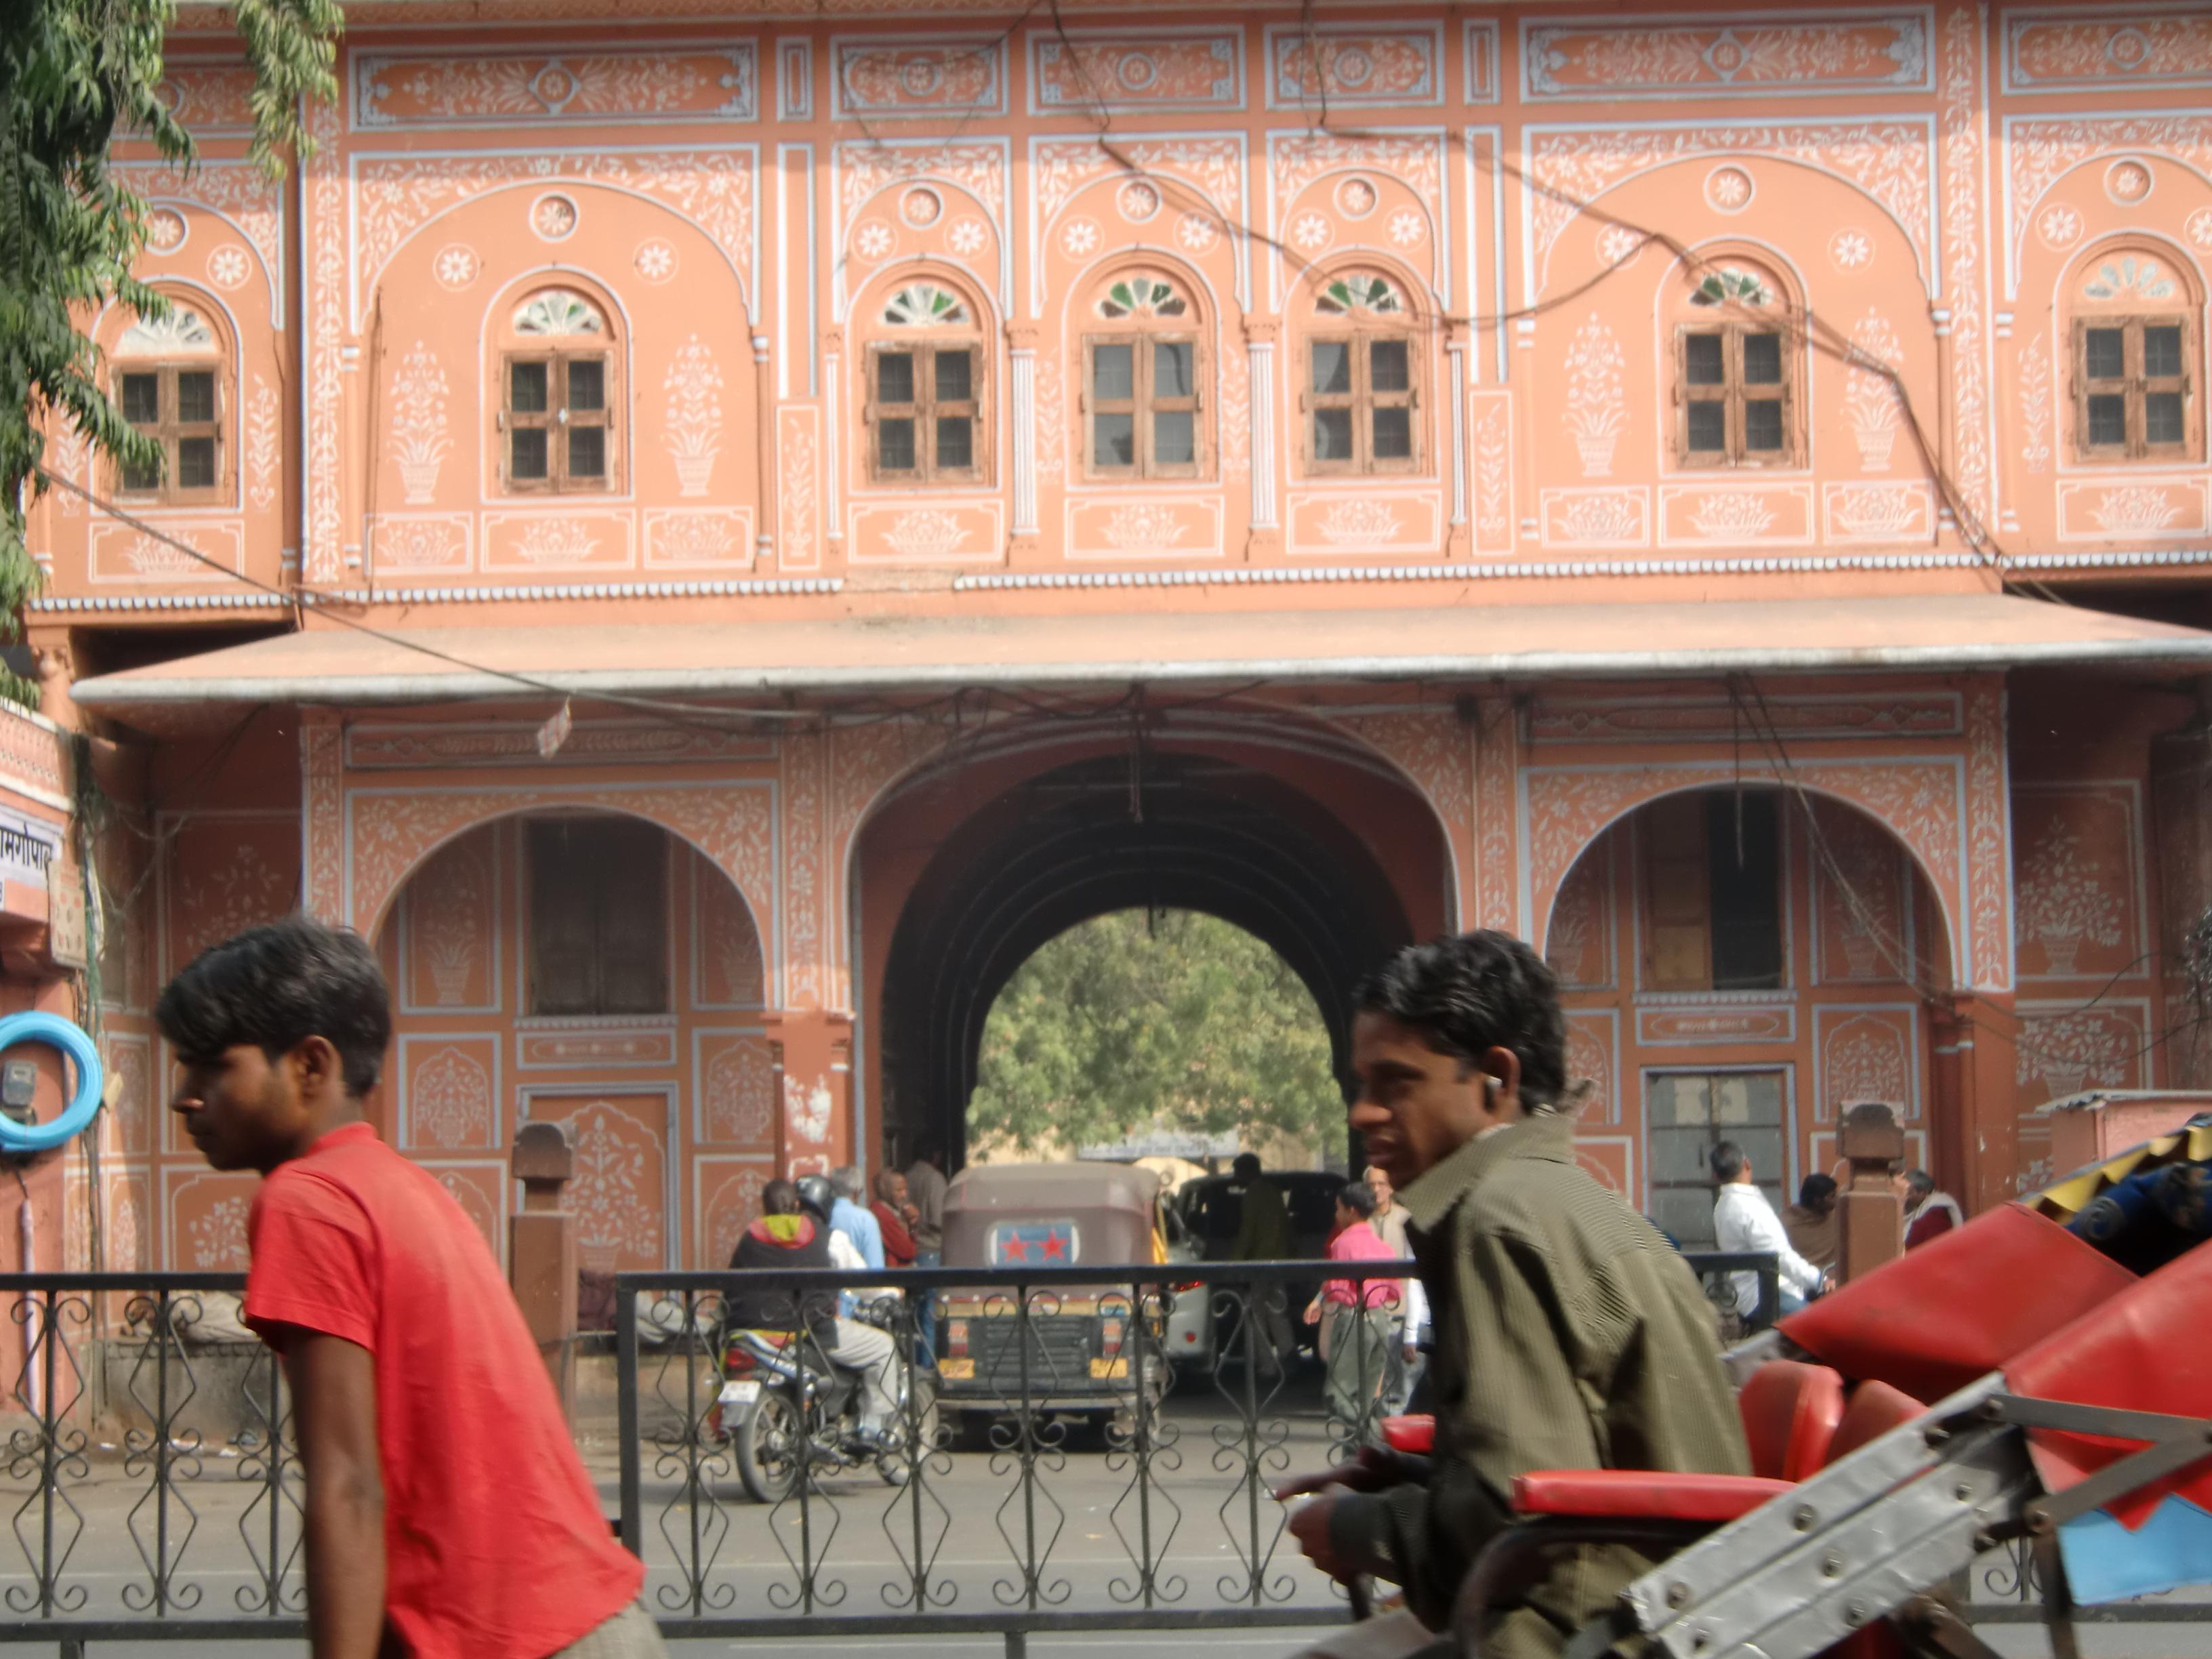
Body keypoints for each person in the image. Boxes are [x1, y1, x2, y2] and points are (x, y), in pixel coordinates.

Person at [157, 918, 663, 1659]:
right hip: (583, 1621)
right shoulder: (398, 1184)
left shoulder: (307, 1200)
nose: (185, 1098)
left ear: (310, 1065)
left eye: (211, 1068)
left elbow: (347, 1487)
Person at [1275, 930, 1748, 1659]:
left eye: (1396, 1083)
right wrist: (1406, 1475)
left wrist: (1354, 1529)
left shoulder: (1495, 1221)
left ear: (1495, 1080)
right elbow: (1564, 1451)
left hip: (1591, 1628)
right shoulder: (1550, 1197)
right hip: (1648, 1600)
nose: (1363, 1114)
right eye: (1362, 1086)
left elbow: (1512, 1508)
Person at [737, 1176, 901, 1443]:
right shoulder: (827, 1238)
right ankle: (873, 1429)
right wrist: (894, 1293)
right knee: (884, 1346)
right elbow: (865, 1283)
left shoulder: (753, 1235)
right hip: (810, 1328)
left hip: (754, 1328)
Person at [1303, 1181, 1398, 1449]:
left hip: (1353, 1318)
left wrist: (1321, 1301)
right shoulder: (1383, 1247)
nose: (1336, 1214)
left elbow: (1337, 1288)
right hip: (1379, 1318)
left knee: (1338, 1394)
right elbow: (1393, 1291)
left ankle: (1376, 1437)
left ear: (1352, 1210)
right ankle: (1359, 1453)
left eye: (1338, 1208)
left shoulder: (1342, 1244)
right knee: (1366, 1396)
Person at [1711, 1142, 1827, 1322]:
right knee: (1819, 1325)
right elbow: (1779, 1256)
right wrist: (1818, 1280)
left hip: (1747, 1293)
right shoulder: (1749, 1207)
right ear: (1747, 1164)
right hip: (1767, 1294)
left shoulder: (1723, 1206)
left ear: (1716, 1175)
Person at [1363, 1165, 1427, 1414]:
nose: (1376, 1190)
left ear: (1391, 1188)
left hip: (1400, 1310)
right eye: (1371, 1185)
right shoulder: (1360, 1221)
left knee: (1399, 1379)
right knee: (1371, 1376)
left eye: (1381, 1184)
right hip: (1368, 1311)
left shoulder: (1405, 1219)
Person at [1229, 1151, 1295, 1372]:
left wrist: (1235, 1263)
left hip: (1259, 1264)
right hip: (1280, 1262)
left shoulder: (1253, 1195)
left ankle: (1267, 1365)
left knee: (1255, 1315)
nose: (1236, 1178)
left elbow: (1247, 1232)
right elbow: (1286, 1227)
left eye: (1237, 1173)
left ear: (1246, 1172)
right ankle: (1289, 1355)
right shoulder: (1273, 1192)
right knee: (1278, 1311)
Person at [904, 1141, 949, 1370]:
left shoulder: (906, 1177)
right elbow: (939, 1219)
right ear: (936, 1155)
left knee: (914, 1312)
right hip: (931, 1250)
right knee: (930, 1312)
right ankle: (926, 1364)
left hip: (913, 1251)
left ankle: (912, 1362)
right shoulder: (934, 1178)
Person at [827, 1165, 886, 1272]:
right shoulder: (865, 1219)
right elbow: (875, 1266)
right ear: (857, 1191)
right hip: (857, 1280)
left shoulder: (823, 1215)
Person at [1784, 1172, 1841, 1273]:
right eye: (1832, 1196)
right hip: (1800, 1278)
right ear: (1817, 1200)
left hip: (1833, 1278)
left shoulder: (1838, 1217)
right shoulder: (1786, 1223)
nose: (1837, 1198)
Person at [1901, 1168, 1965, 1250]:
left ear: (1922, 1193)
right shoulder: (1913, 1208)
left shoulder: (1937, 1212)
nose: (1905, 1197)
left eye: (1908, 1193)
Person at [872, 1169, 918, 1268]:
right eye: (899, 1190)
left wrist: (911, 1224)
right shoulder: (883, 1215)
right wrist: (910, 1225)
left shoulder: (890, 1211)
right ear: (885, 1191)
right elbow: (908, 1251)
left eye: (905, 1189)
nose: (904, 1195)